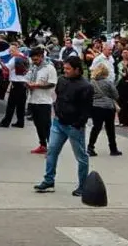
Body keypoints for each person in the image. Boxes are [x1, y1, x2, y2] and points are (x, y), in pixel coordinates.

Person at [34, 56, 94, 196]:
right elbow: (59, 97)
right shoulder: (62, 80)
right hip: (59, 122)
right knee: (52, 151)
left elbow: (86, 110)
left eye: (68, 69)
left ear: (77, 70)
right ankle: (49, 180)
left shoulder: (86, 86)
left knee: (81, 156)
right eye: (64, 68)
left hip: (74, 126)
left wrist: (78, 124)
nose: (65, 71)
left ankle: (83, 185)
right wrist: (57, 112)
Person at [26, 46, 57, 154]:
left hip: (44, 101)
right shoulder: (33, 68)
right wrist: (28, 84)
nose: (34, 62)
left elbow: (52, 83)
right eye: (33, 60)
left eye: (36, 59)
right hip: (33, 100)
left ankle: (51, 147)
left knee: (46, 125)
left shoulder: (49, 68)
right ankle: (42, 145)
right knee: (38, 124)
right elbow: (27, 79)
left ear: (41, 57)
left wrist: (37, 85)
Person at [86, 63, 121, 157]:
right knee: (110, 128)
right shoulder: (108, 82)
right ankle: (113, 149)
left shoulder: (91, 82)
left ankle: (90, 147)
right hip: (108, 107)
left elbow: (88, 95)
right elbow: (116, 95)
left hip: (96, 106)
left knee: (96, 127)